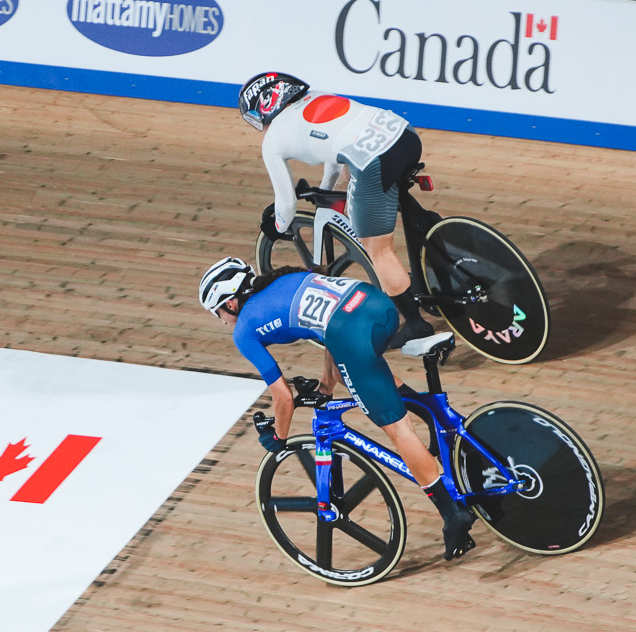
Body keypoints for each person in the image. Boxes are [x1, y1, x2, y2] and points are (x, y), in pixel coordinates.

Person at [198, 256, 479, 560]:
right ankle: (432, 416)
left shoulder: (243, 331)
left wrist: (278, 438)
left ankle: (452, 514)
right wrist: (326, 384)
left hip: (350, 332)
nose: (223, 321)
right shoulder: (282, 280)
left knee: (398, 431)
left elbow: (283, 397)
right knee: (360, 375)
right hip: (377, 306)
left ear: (230, 304)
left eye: (217, 314)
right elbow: (328, 326)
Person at [239, 70, 451, 359]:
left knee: (378, 250)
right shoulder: (317, 97)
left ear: (265, 106)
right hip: (404, 134)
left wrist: (276, 225)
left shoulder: (273, 139)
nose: (260, 127)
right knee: (376, 185)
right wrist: (325, 190)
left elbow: (286, 204)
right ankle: (427, 230)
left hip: (375, 159)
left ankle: (416, 323)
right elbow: (335, 154)